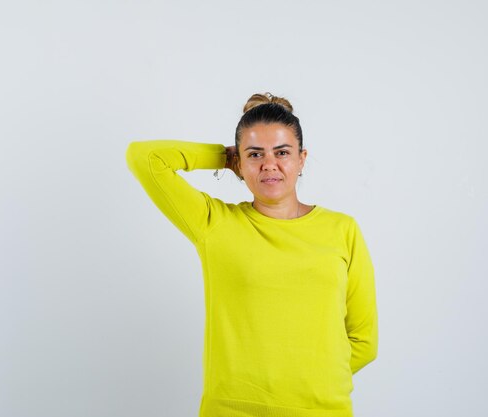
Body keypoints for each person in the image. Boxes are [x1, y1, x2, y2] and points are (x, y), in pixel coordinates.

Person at [125, 93, 378, 417]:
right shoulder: (215, 224)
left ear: (302, 159)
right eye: (255, 154)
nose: (269, 164)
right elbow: (144, 158)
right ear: (239, 164)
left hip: (322, 409)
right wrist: (221, 157)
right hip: (233, 410)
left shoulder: (343, 230)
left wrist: (314, 384)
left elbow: (364, 340)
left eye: (282, 152)